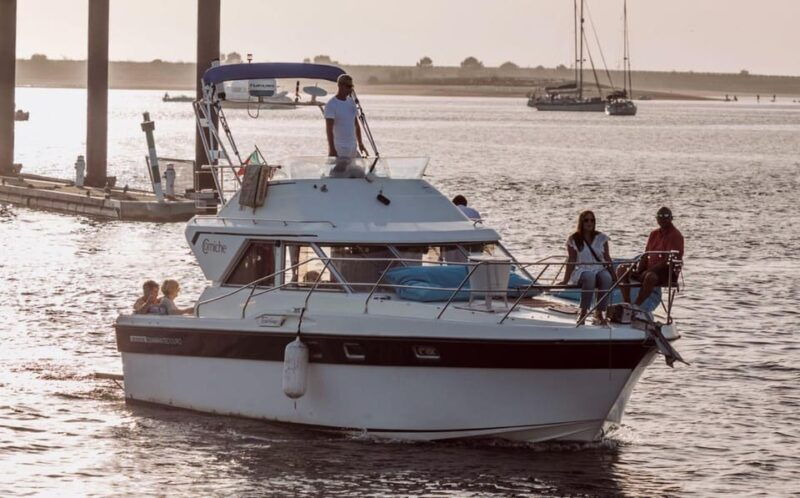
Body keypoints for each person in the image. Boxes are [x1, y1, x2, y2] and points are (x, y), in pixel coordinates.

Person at [617, 206, 684, 308]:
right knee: (622, 269)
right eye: (660, 216)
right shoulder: (653, 234)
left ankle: (637, 306)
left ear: (671, 218)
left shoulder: (676, 235)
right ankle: (627, 303)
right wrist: (640, 270)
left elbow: (669, 261)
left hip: (665, 273)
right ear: (656, 219)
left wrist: (649, 271)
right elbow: (646, 255)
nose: (663, 218)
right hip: (648, 270)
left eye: (666, 216)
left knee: (650, 277)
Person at [559, 210, 613, 325]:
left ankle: (599, 312)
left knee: (606, 278)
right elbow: (571, 260)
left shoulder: (601, 238)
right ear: (581, 222)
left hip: (598, 268)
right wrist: (565, 280)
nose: (589, 223)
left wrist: (615, 276)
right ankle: (583, 312)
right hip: (582, 269)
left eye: (592, 220)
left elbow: (607, 258)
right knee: (590, 277)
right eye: (586, 220)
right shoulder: (574, 239)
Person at [324, 74, 368, 159]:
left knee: (360, 172)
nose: (350, 89)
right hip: (340, 148)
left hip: (353, 147)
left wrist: (360, 144)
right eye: (348, 86)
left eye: (351, 86)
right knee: (338, 172)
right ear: (340, 85)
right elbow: (329, 129)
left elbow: (356, 125)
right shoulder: (331, 104)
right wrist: (332, 149)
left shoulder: (351, 102)